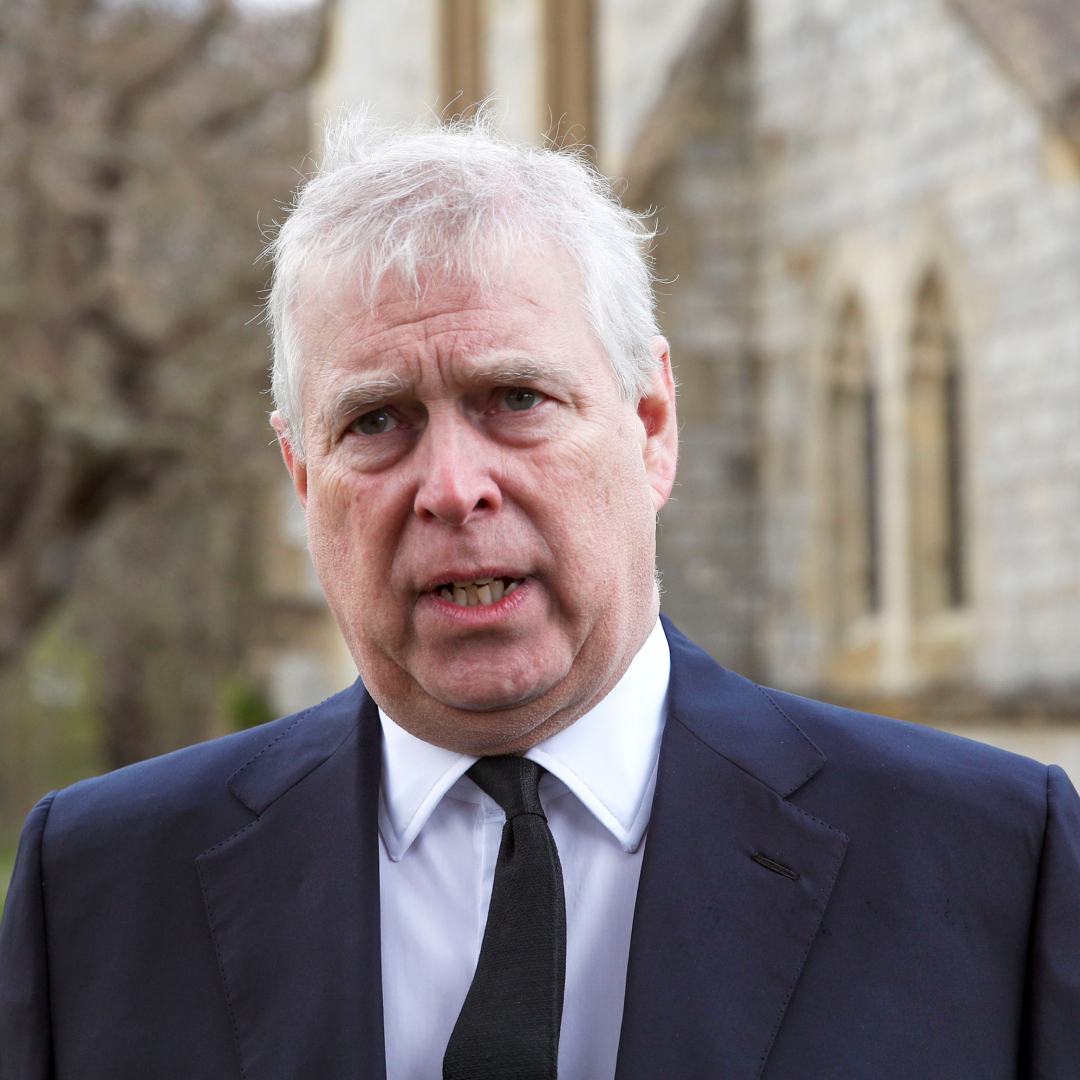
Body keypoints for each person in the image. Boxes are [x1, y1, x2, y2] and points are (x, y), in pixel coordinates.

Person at [1, 113, 1078, 1080]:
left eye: (515, 398)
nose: (453, 487)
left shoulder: (991, 862)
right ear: (300, 476)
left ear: (652, 425)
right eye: (377, 422)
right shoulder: (97, 890)